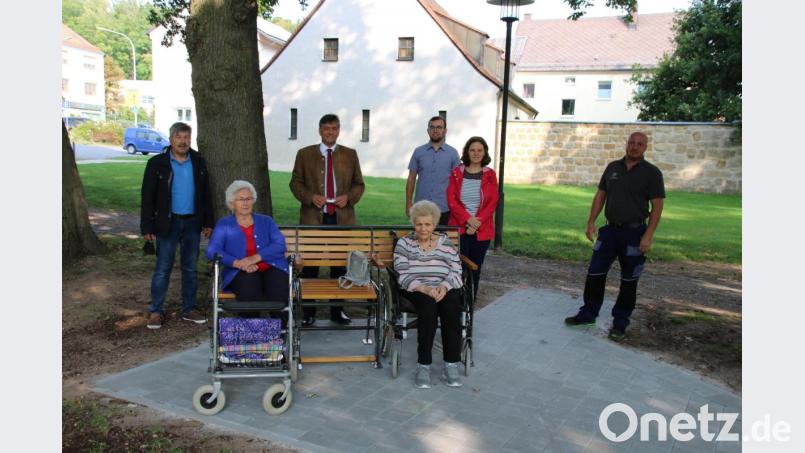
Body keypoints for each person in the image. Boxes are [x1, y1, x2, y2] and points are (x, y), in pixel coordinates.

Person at [564, 132, 665, 341]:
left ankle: (620, 322)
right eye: (631, 143)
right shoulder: (612, 168)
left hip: (635, 234)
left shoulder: (652, 173)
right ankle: (588, 313)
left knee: (629, 280)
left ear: (645, 148)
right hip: (609, 232)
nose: (634, 147)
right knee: (595, 274)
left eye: (639, 144)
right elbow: (601, 195)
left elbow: (657, 206)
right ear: (626, 144)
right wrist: (591, 221)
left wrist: (648, 235)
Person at [289, 113, 365, 326]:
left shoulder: (350, 155)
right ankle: (308, 312)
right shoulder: (304, 154)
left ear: (339, 130)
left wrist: (348, 197)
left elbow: (359, 184)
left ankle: (337, 310)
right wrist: (311, 197)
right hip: (313, 219)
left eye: (334, 128)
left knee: (340, 266)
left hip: (341, 219)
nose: (330, 132)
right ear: (320, 131)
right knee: (310, 266)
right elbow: (295, 183)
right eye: (326, 129)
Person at [141, 122, 213, 330]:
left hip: (192, 223)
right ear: (171, 139)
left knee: (190, 268)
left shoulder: (198, 161)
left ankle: (189, 309)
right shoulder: (157, 163)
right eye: (179, 137)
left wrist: (208, 222)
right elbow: (147, 197)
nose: (183, 141)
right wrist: (146, 226)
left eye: (186, 137)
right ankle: (156, 310)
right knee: (163, 268)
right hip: (167, 223)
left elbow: (206, 195)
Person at [394, 200, 464, 389]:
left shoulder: (445, 243)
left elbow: (457, 270)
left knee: (450, 308)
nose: (423, 228)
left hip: (444, 287)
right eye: (419, 224)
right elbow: (402, 273)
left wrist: (445, 286)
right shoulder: (404, 243)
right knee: (428, 308)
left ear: (434, 224)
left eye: (427, 224)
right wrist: (424, 288)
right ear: (413, 223)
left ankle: (451, 364)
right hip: (417, 289)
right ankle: (423, 365)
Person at [205, 180, 289, 315]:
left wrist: (254, 258)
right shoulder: (224, 224)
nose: (245, 203)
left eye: (249, 198)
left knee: (278, 286)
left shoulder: (266, 221)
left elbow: (280, 244)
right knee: (249, 287)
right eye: (241, 199)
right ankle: (252, 332)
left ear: (253, 200)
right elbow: (212, 251)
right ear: (232, 202)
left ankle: (280, 331)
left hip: (271, 266)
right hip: (241, 270)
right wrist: (239, 263)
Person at [446, 136, 499, 299]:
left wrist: (476, 223)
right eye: (472, 150)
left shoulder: (490, 175)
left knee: (475, 267)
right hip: (460, 227)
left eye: (479, 150)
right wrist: (468, 220)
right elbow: (451, 200)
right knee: (458, 266)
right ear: (467, 152)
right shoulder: (457, 173)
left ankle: (470, 303)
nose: (476, 153)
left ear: (484, 153)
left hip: (482, 230)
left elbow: (492, 202)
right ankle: (457, 302)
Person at [405, 116, 460, 225]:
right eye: (432, 127)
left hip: (445, 208)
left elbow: (458, 182)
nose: (436, 130)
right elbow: (411, 178)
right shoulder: (418, 152)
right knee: (420, 240)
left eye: (439, 127)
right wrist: (408, 203)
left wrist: (456, 207)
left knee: (442, 240)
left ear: (445, 131)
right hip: (420, 207)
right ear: (428, 130)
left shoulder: (453, 153)